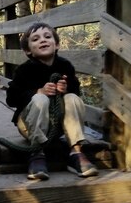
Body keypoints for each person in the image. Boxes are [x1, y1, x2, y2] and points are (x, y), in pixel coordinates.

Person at [6, 21, 98, 181]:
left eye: (47, 37)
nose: (42, 40)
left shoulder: (65, 66)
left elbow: (76, 92)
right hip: (29, 126)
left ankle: (76, 151)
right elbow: (11, 99)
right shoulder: (24, 70)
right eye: (35, 39)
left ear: (56, 45)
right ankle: (37, 153)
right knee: (40, 99)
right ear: (28, 50)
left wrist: (66, 89)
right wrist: (37, 91)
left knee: (72, 98)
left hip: (58, 126)